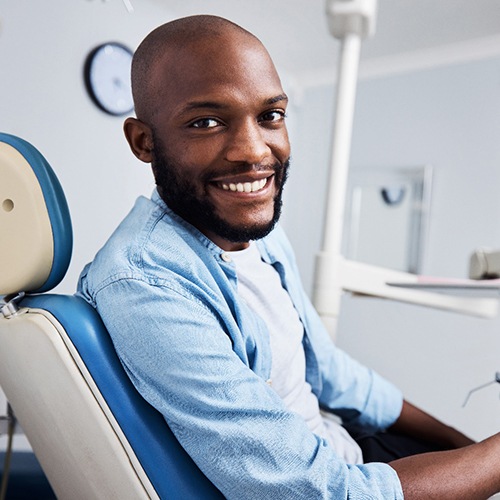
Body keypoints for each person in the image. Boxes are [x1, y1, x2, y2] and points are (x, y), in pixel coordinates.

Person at [77, 14, 500, 499]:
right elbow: (319, 492)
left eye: (269, 116)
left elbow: (335, 375)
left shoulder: (258, 235)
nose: (253, 151)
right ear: (144, 142)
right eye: (206, 122)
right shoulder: (145, 283)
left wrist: (461, 445)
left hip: (350, 450)